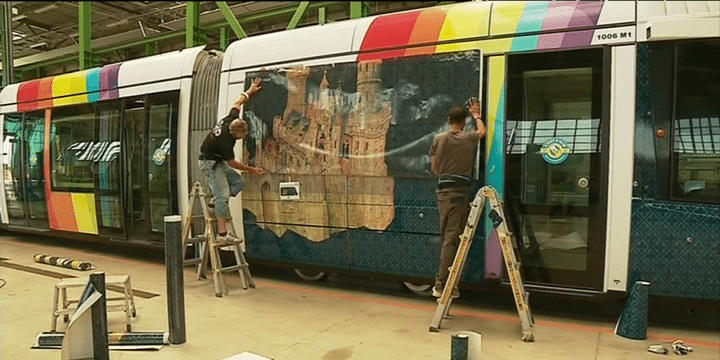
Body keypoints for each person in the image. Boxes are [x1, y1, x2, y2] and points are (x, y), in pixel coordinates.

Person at [429, 97, 486, 298]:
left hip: (442, 194)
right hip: (460, 194)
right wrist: (477, 115)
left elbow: (434, 167)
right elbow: (482, 132)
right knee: (453, 239)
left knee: (447, 237)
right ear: (463, 122)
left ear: (448, 120)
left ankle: (447, 283)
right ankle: (443, 284)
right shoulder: (467, 138)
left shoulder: (439, 139)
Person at [198, 78, 265, 243]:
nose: (244, 136)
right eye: (242, 136)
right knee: (223, 195)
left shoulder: (231, 118)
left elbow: (238, 102)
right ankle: (222, 235)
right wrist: (252, 169)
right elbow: (232, 163)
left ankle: (215, 205)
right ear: (235, 134)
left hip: (218, 161)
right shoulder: (225, 142)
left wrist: (250, 90)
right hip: (210, 163)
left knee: (239, 183)